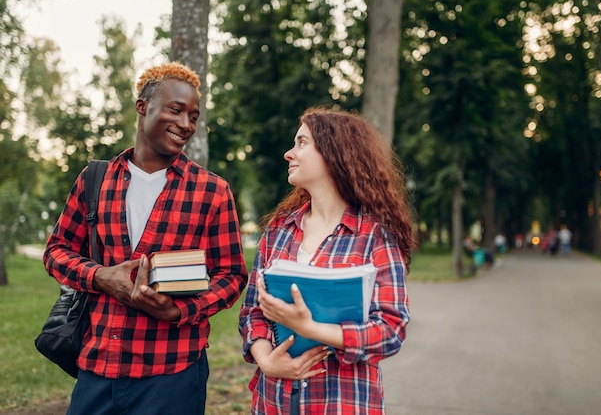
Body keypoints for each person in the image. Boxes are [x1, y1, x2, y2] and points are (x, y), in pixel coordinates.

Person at [43, 62, 248, 415]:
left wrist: (179, 310)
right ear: (143, 107)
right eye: (176, 110)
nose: (186, 124)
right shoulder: (96, 178)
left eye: (194, 116)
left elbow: (232, 276)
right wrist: (100, 277)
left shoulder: (212, 192)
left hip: (172, 375)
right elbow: (56, 252)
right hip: (97, 369)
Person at [239, 107, 416, 414]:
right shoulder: (278, 231)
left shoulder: (374, 235)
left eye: (302, 143)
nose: (288, 153)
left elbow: (391, 329)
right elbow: (252, 312)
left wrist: (311, 328)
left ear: (334, 153)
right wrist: (267, 361)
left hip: (341, 402)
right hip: (274, 401)